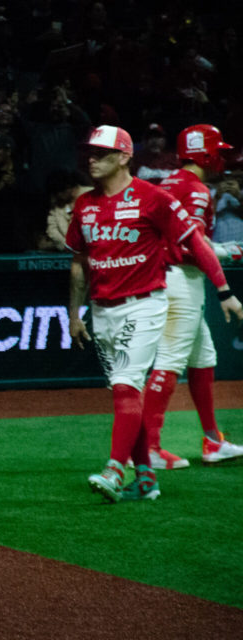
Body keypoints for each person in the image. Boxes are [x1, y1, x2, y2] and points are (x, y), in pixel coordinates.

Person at [67, 126, 241, 503]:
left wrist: (224, 290)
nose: (91, 159)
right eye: (90, 153)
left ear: (125, 156)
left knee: (128, 386)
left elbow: (195, 241)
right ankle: (146, 478)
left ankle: (116, 468)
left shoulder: (153, 196)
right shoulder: (84, 204)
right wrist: (74, 314)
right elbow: (79, 262)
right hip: (102, 309)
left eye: (101, 153)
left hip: (146, 302)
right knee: (124, 389)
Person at [140, 125, 243, 468]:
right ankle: (149, 449)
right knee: (170, 360)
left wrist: (223, 249)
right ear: (206, 153)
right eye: (219, 151)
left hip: (167, 275)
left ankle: (214, 441)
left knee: (204, 357)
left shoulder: (168, 182)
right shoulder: (197, 190)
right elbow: (192, 246)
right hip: (180, 279)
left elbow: (188, 238)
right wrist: (224, 278)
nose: (222, 158)